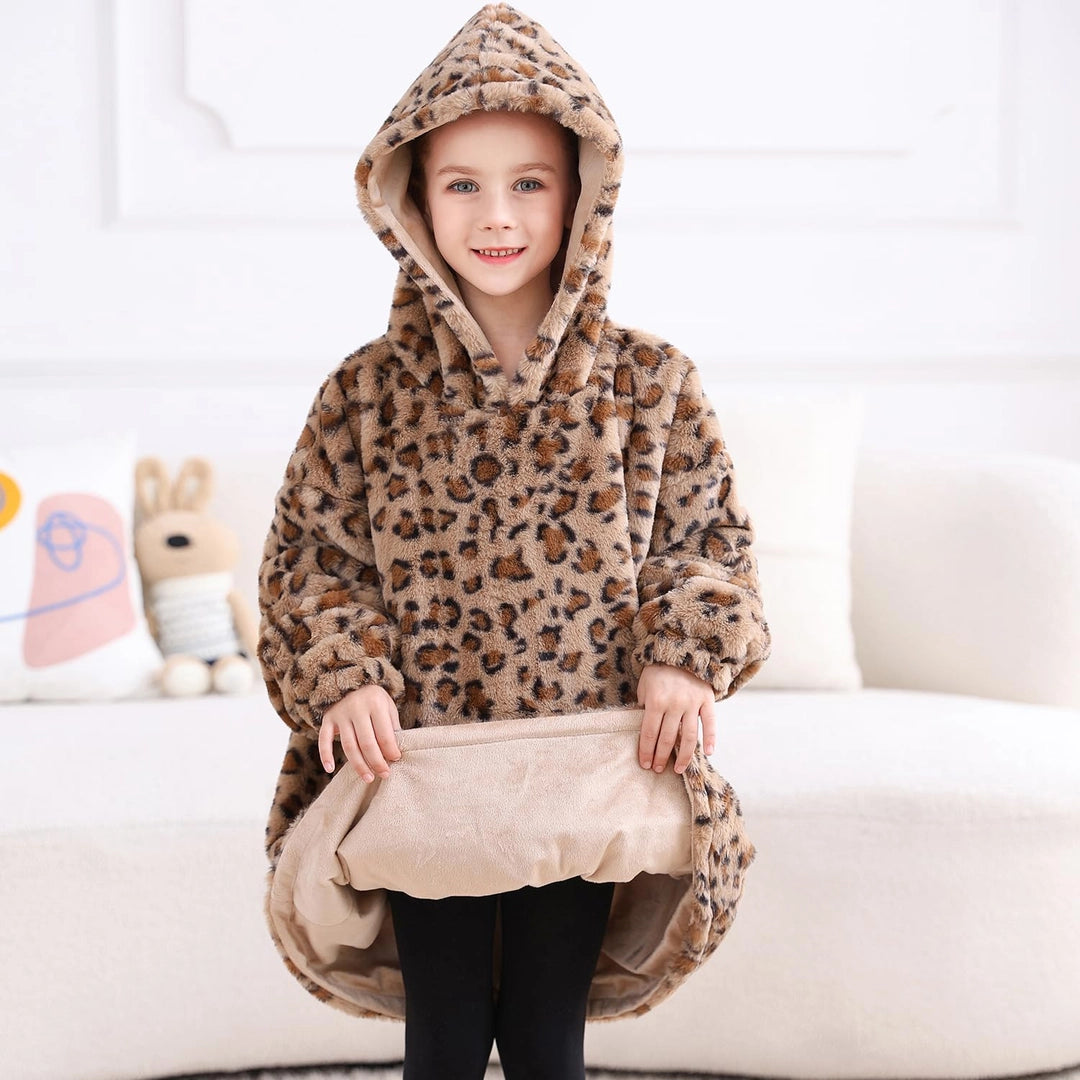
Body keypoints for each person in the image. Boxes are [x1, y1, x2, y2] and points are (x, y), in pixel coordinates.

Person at [257, 5, 771, 1079]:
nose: (497, 215)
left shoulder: (651, 383)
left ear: (584, 193)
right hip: (424, 771)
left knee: (546, 1039)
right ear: (410, 199)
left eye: (529, 182)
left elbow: (706, 537)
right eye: (462, 184)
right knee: (443, 1041)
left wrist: (684, 654)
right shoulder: (364, 394)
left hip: (587, 763)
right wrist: (346, 672)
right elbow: (312, 560)